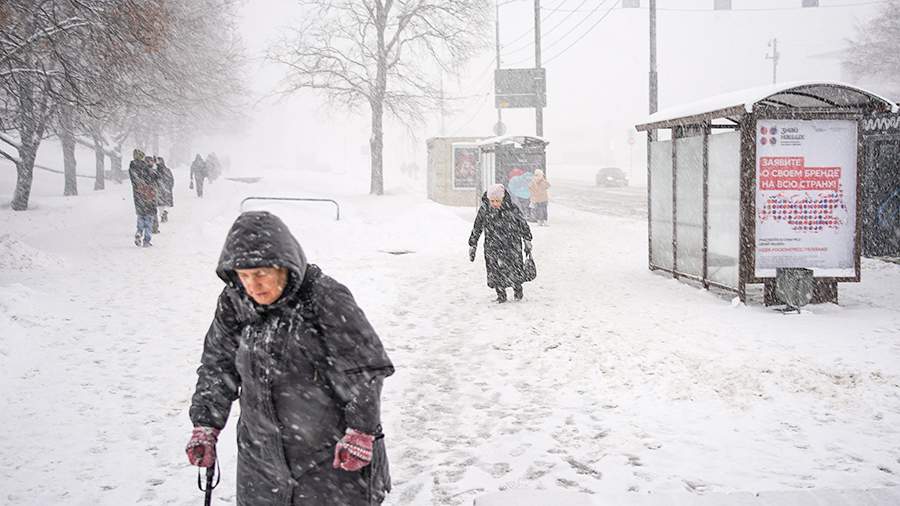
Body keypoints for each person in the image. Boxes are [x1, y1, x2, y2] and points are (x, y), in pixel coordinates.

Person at [185, 211, 395, 505]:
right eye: (244, 276)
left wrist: (360, 431)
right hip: (260, 461)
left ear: (284, 266)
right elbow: (218, 365)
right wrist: (205, 425)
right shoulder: (234, 302)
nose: (253, 286)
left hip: (328, 458)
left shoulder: (323, 297)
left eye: (261, 274)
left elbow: (363, 370)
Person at [468, 184, 533, 303]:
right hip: (492, 245)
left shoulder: (512, 208)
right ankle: (501, 294)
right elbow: (477, 227)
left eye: (497, 200)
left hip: (512, 244)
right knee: (495, 270)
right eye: (492, 201)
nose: (495, 203)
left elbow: (523, 224)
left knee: (514, 269)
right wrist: (473, 244)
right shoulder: (484, 209)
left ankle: (517, 290)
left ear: (503, 199)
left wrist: (527, 239)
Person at [128, 149, 158, 247]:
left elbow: (135, 180)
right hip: (148, 194)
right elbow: (155, 177)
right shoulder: (146, 167)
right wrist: (153, 166)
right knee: (149, 217)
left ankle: (139, 232)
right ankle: (146, 240)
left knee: (141, 215)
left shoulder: (132, 167)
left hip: (137, 195)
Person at [155, 156, 175, 223]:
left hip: (159, 189)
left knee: (160, 204)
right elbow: (171, 179)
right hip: (167, 189)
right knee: (167, 203)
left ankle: (162, 214)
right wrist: (170, 187)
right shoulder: (167, 170)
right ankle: (165, 212)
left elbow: (154, 180)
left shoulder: (156, 171)